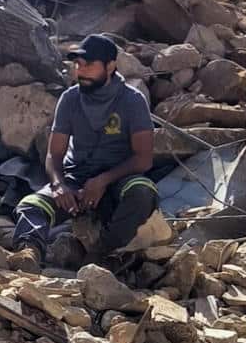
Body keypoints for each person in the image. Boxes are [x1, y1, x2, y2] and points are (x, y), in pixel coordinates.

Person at [10, 34, 157, 265]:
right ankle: (29, 252)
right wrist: (59, 185)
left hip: (118, 178)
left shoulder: (132, 101)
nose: (81, 70)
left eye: (89, 65)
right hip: (76, 178)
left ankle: (104, 254)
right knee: (32, 204)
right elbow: (54, 154)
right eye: (78, 64)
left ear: (110, 66)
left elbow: (144, 159)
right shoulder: (70, 99)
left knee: (142, 191)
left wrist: (103, 181)